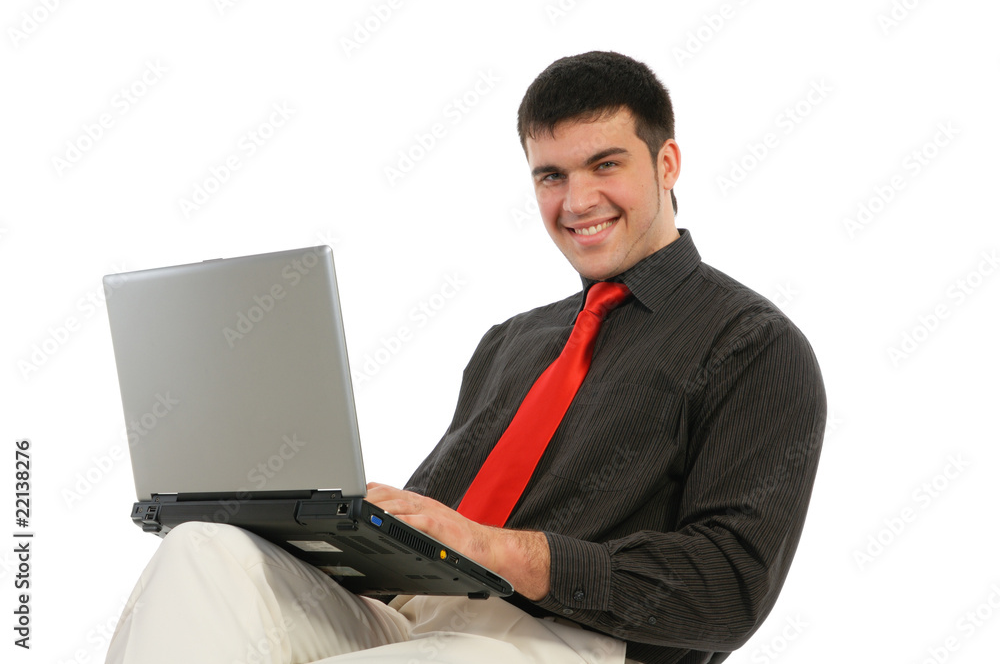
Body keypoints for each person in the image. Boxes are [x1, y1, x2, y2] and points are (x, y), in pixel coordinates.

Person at [107, 51, 825, 664]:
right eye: (550, 175)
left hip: (568, 640)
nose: (577, 200)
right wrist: (315, 521)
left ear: (666, 161)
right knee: (205, 550)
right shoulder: (511, 343)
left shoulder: (753, 344)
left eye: (605, 164)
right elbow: (431, 533)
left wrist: (491, 548)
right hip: (418, 619)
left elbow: (728, 585)